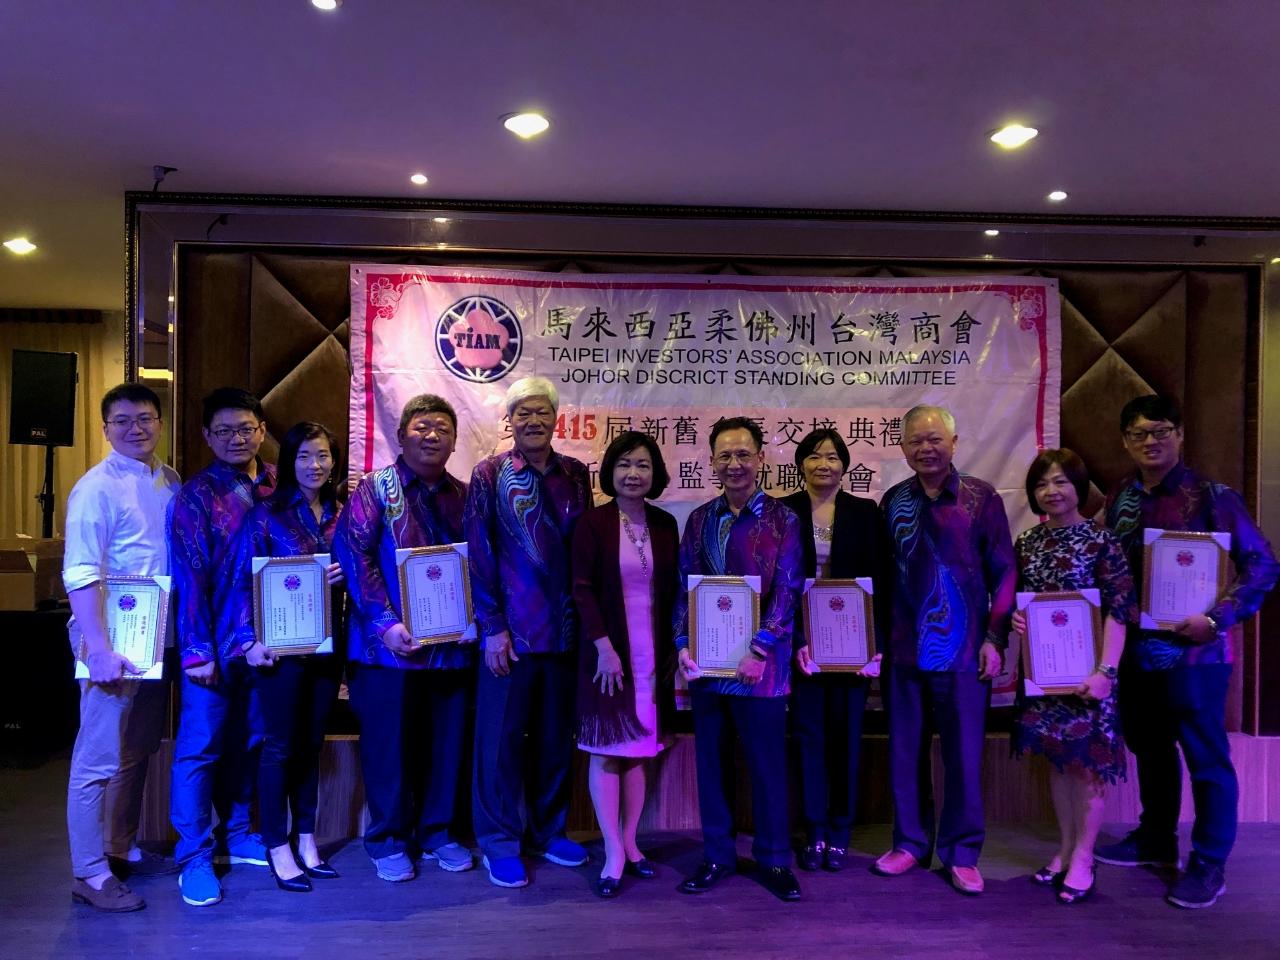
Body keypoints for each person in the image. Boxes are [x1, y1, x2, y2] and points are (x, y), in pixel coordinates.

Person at [1097, 395, 1279, 909]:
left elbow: (1263, 565)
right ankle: (1156, 838)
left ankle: (1209, 863)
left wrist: (1218, 618)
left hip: (1196, 655)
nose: (1150, 441)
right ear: (1125, 442)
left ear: (1179, 434)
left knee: (1206, 759)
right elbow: (1102, 563)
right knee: (1150, 749)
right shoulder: (1119, 497)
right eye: (1138, 434)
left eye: (1160, 430)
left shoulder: (1214, 497)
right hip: (1135, 653)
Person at [874, 404, 1016, 896]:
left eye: (935, 439)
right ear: (902, 447)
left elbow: (1005, 572)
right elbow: (882, 579)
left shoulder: (981, 498)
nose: (926, 448)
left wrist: (995, 638)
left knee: (963, 756)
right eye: (916, 440)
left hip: (964, 653)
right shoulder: (893, 501)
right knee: (904, 753)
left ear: (954, 444)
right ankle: (910, 843)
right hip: (903, 651)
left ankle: (962, 852)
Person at [334, 395, 476, 883]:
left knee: (446, 745)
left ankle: (438, 832)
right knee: (387, 748)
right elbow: (354, 555)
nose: (432, 435)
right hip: (385, 651)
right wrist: (385, 622)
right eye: (421, 426)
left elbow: (480, 563)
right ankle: (389, 839)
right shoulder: (375, 489)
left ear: (454, 441)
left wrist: (476, 618)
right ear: (401, 436)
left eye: (442, 428)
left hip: (450, 650)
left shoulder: (465, 495)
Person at [465, 376, 593, 888]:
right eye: (524, 413)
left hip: (564, 633)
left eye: (542, 412)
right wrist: (493, 627)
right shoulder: (488, 474)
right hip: (510, 638)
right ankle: (499, 843)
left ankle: (549, 831)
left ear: (556, 419)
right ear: (510, 421)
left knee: (554, 739)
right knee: (499, 744)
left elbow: (585, 552)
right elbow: (479, 554)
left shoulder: (577, 475)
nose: (534, 421)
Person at [673, 417, 805, 902]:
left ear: (761, 458)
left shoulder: (784, 520)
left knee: (767, 766)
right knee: (712, 765)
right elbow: (684, 589)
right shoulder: (699, 520)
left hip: (761, 670)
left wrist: (759, 649)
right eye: (725, 455)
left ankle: (774, 860)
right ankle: (717, 856)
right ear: (711, 461)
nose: (735, 464)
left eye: (743, 454)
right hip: (707, 668)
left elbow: (788, 590)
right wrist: (682, 643)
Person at [64, 384, 182, 911]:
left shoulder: (169, 478)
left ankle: (121, 848)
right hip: (109, 637)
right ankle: (89, 873)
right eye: (123, 421)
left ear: (160, 423)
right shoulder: (94, 488)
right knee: (96, 758)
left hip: (155, 633)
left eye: (146, 418)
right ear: (105, 429)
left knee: (136, 749)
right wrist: (97, 648)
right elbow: (80, 573)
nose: (136, 428)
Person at [1009, 449, 1136, 904]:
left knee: (1086, 765)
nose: (1051, 491)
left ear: (1079, 487)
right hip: (1045, 673)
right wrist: (1016, 620)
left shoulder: (1103, 541)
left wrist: (1105, 672)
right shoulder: (1027, 542)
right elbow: (1021, 600)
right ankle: (1065, 848)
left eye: (1061, 481)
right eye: (1042, 483)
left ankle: (1085, 856)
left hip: (1090, 676)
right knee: (1058, 762)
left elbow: (1119, 611)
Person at [225, 422, 346, 892]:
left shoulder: (342, 514)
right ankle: (277, 844)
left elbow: (364, 569)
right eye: (304, 456)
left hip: (326, 645)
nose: (314, 465)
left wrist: (346, 576)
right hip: (278, 649)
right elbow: (241, 581)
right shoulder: (266, 514)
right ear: (289, 462)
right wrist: (247, 641)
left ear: (334, 460)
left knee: (311, 743)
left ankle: (307, 838)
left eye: (323, 455)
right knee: (278, 746)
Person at [169, 388, 275, 907]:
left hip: (270, 645)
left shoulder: (280, 485)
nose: (237, 439)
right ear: (207, 436)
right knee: (200, 747)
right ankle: (193, 856)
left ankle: (237, 832)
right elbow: (187, 577)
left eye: (246, 428)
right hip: (213, 646)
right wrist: (197, 651)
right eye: (225, 431)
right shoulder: (195, 496)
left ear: (262, 430)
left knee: (250, 740)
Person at [571, 431, 679, 898]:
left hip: (652, 654)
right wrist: (604, 646)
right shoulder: (592, 523)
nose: (633, 474)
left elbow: (674, 590)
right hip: (607, 655)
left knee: (639, 751)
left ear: (655, 474)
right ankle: (612, 851)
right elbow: (581, 589)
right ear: (610, 471)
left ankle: (632, 842)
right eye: (624, 464)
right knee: (606, 750)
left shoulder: (665, 524)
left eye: (643, 465)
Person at [780, 428, 888, 873]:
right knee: (809, 739)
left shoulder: (864, 512)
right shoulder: (783, 511)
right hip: (802, 647)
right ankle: (815, 830)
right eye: (814, 456)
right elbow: (776, 585)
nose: (823, 464)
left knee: (846, 739)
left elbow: (882, 580)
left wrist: (874, 646)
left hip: (853, 647)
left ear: (844, 466)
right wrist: (794, 643)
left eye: (832, 456)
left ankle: (841, 829)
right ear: (800, 464)